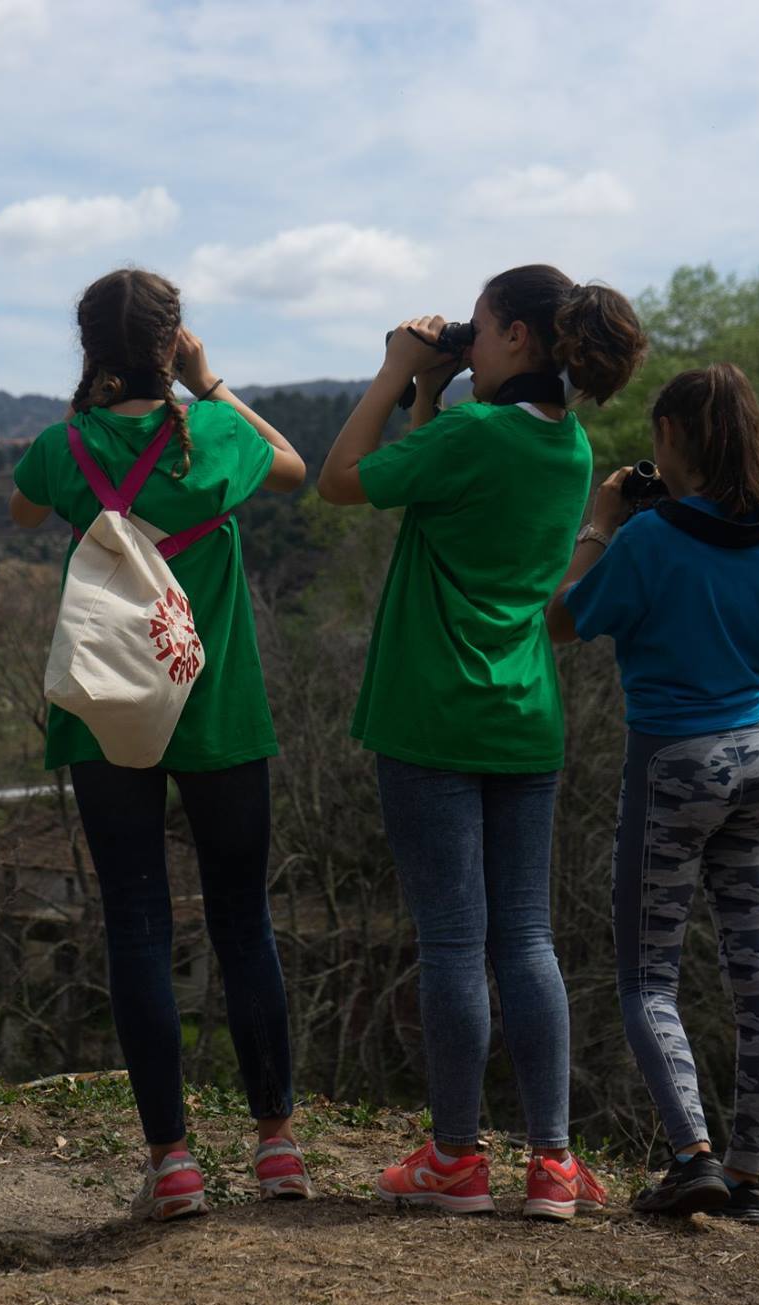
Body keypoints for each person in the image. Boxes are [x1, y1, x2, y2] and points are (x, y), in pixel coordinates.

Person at [320, 265, 649, 1219]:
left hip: (431, 712)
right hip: (524, 716)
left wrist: (396, 372)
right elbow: (440, 493)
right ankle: (553, 1162)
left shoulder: (472, 434)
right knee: (527, 938)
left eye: (479, 324)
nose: (467, 339)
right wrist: (435, 394)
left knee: (454, 941)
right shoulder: (570, 448)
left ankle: (457, 1158)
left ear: (512, 336)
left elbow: (342, 482)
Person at [9, 268, 308, 1220]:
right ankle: (276, 1145)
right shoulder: (215, 435)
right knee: (243, 920)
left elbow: (23, 510)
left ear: (90, 347)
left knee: (137, 920)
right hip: (218, 709)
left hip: (108, 705)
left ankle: (172, 1162)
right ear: (172, 343)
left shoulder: (63, 447)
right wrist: (207, 382)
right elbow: (294, 466)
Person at [544, 362, 759, 1224]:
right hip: (757, 758)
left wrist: (601, 522)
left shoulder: (650, 541)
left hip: (673, 765)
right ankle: (749, 1174)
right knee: (757, 972)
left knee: (647, 978)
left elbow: (563, 618)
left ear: (670, 438)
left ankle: (692, 1154)